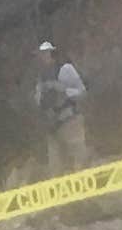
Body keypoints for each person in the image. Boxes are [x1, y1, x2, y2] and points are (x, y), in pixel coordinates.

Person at [35, 42, 89, 175]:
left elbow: (82, 91)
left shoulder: (65, 69)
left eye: (45, 53)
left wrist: (62, 90)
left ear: (51, 53)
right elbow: (39, 102)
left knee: (80, 164)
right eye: (41, 54)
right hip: (53, 127)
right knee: (56, 169)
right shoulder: (41, 78)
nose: (42, 57)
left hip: (70, 122)